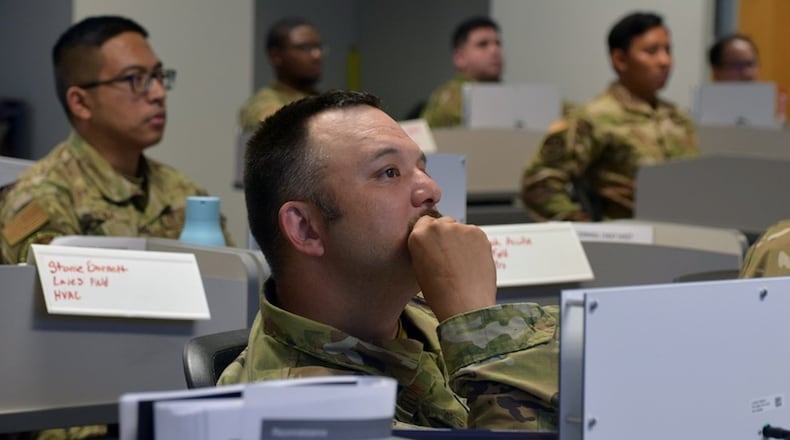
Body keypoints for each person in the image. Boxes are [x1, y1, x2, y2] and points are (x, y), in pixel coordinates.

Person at [218, 90, 559, 431]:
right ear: (305, 228)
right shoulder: (293, 414)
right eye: (390, 172)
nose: (431, 189)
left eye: (421, 168)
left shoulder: (421, 307)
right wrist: (479, 325)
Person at [0, 15, 233, 265]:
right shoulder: (41, 199)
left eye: (158, 75)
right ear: (81, 103)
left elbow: (232, 280)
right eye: (135, 79)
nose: (158, 93)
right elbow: (49, 287)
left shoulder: (183, 192)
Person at [520, 11, 698, 221]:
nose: (665, 61)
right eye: (652, 51)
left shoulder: (678, 116)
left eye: (668, 50)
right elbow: (540, 184)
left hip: (686, 231)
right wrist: (584, 230)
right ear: (620, 59)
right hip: (626, 234)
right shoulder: (593, 117)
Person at [238, 17, 323, 133]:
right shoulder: (262, 102)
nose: (317, 55)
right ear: (276, 56)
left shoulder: (320, 98)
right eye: (304, 48)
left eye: (318, 47)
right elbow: (275, 123)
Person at [420, 16, 503, 128]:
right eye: (483, 44)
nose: (494, 50)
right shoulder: (448, 100)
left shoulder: (507, 97)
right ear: (460, 57)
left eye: (498, 44)